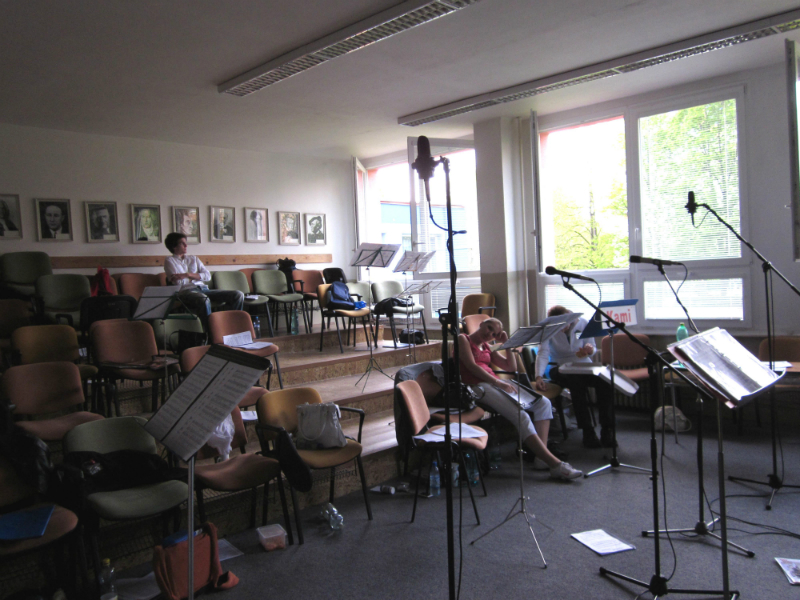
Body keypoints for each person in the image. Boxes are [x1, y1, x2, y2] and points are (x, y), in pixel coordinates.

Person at [458, 317, 582, 480]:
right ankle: (555, 464)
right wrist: (497, 382)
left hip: (495, 383)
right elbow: (471, 366)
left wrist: (507, 344)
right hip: (477, 386)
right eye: (489, 328)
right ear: (481, 324)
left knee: (543, 403)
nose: (490, 334)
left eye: (494, 333)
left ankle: (540, 457)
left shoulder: (487, 346)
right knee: (521, 415)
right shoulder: (463, 339)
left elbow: (511, 367)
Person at [534, 305, 616, 448]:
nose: (560, 329)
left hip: (582, 365)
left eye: (562, 326)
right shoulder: (547, 328)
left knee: (605, 382)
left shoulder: (582, 323)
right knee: (576, 384)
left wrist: (590, 349)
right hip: (559, 366)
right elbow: (543, 353)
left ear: (569, 319)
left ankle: (607, 429)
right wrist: (538, 376)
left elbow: (592, 347)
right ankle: (587, 431)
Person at [163, 232, 244, 328]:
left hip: (203, 289)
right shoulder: (169, 260)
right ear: (174, 246)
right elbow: (178, 282)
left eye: (186, 242)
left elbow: (208, 276)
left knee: (238, 295)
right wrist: (197, 276)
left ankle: (231, 327)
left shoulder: (194, 258)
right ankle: (210, 331)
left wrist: (187, 275)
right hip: (186, 292)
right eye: (182, 243)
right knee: (203, 299)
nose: (186, 245)